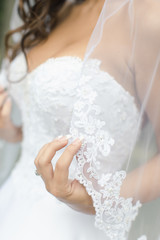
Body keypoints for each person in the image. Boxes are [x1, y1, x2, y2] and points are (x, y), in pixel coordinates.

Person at [0, 0, 160, 239]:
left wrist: (99, 198)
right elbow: (44, 111)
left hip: (71, 228)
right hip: (12, 203)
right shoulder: (57, 6)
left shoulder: (147, 15)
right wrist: (17, 131)